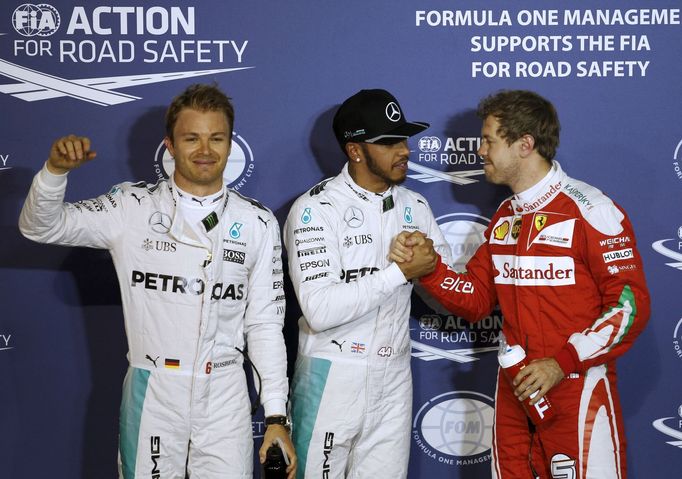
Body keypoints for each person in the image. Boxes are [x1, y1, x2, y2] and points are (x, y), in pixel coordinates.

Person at [19, 84, 296, 478]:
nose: (205, 150)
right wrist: (54, 173)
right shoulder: (130, 208)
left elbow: (265, 325)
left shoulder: (258, 222)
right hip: (154, 390)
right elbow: (39, 227)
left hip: (226, 394)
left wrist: (275, 418)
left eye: (216, 138)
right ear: (169, 144)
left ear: (231, 143)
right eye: (191, 138)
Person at [391, 89, 650, 478]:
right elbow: (476, 298)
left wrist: (562, 363)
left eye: (489, 140)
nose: (479, 151)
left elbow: (629, 307)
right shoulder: (505, 217)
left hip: (576, 390)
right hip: (515, 393)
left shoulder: (591, 209)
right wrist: (428, 269)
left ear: (525, 144)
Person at [283, 89, 452, 478]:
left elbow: (445, 301)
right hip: (331, 375)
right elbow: (321, 310)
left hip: (394, 378)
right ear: (355, 150)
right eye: (389, 141)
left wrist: (432, 269)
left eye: (404, 138)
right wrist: (400, 272)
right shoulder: (315, 209)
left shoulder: (416, 206)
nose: (404, 149)